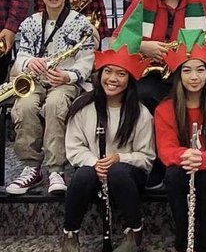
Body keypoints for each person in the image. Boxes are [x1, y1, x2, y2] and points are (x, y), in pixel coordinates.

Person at [5, 0, 97, 196]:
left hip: (65, 81)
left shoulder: (81, 23)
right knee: (24, 105)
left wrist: (67, 75)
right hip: (35, 79)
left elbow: (87, 60)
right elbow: (22, 54)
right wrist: (28, 62)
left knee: (55, 105)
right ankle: (31, 166)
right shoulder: (30, 22)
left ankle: (56, 168)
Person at [61, 47, 157, 252]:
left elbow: (147, 157)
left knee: (118, 171)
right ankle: (70, 233)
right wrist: (95, 163)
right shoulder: (82, 105)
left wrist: (118, 158)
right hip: (93, 167)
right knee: (83, 176)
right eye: (108, 71)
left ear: (130, 80)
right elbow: (74, 148)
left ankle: (134, 232)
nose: (112, 79)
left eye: (121, 74)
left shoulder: (140, 113)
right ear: (100, 74)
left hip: (127, 175)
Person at [154, 29, 206, 252]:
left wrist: (202, 158)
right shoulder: (165, 108)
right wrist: (184, 156)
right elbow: (165, 149)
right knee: (172, 176)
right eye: (187, 71)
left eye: (201, 70)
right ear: (178, 75)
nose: (194, 77)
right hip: (183, 164)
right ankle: (184, 236)